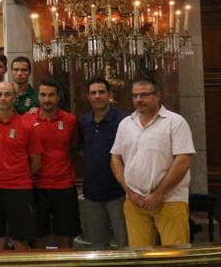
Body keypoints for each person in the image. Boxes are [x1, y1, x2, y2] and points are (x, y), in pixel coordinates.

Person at [111, 78, 195, 249]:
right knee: (140, 258)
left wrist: (158, 194)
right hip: (134, 201)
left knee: (175, 256)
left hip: (170, 199)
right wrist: (129, 191)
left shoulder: (175, 122)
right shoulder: (125, 124)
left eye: (144, 95)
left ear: (157, 96)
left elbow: (183, 160)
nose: (138, 100)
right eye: (135, 96)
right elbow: (115, 158)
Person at [0, 82, 42, 251]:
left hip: (19, 189)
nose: (3, 98)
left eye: (7, 94)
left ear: (14, 97)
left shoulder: (28, 125)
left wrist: (18, 176)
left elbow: (36, 161)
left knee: (21, 240)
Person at [27, 80, 80, 249]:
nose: (47, 99)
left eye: (51, 95)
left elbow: (74, 149)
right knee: (37, 234)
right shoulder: (27, 120)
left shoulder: (71, 120)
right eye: (43, 95)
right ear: (38, 97)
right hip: (37, 186)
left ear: (58, 97)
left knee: (66, 234)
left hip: (64, 185)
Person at [78, 77, 128, 248]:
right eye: (93, 93)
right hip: (92, 193)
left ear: (109, 95)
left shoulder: (124, 121)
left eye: (101, 92)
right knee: (97, 244)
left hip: (118, 192)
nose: (97, 96)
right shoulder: (84, 122)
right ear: (88, 97)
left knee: (125, 242)